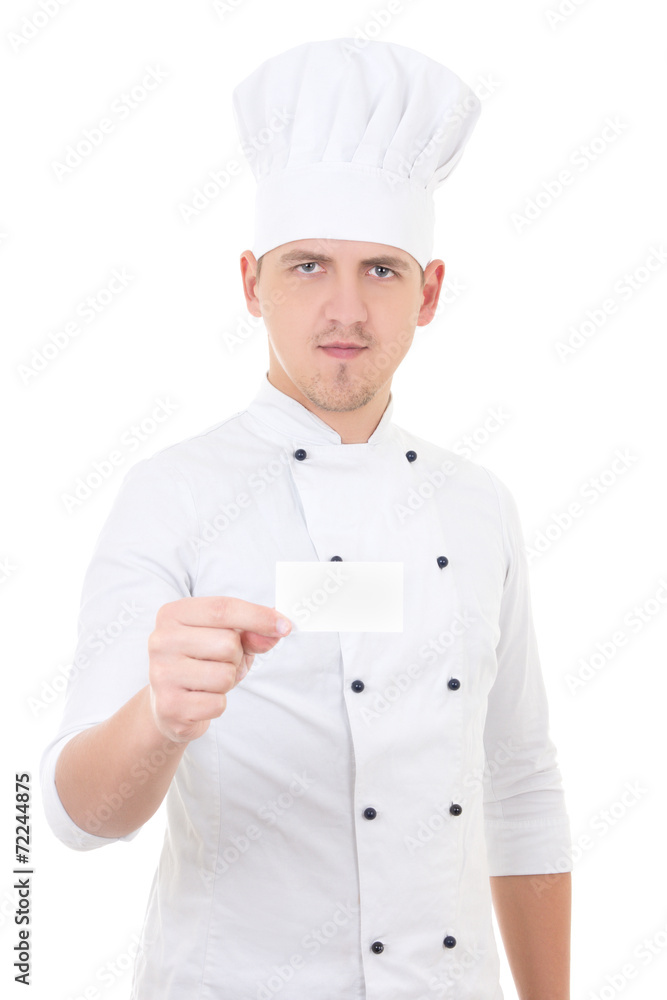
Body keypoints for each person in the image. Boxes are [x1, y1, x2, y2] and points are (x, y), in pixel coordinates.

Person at [40, 37, 573, 999]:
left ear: (430, 292)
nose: (344, 309)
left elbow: (520, 782)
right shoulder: (172, 493)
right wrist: (159, 720)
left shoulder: (478, 506)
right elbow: (78, 816)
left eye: (379, 270)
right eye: (306, 267)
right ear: (250, 283)